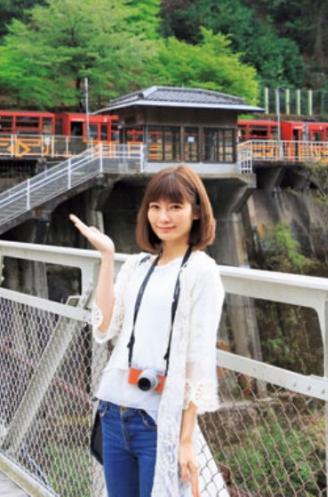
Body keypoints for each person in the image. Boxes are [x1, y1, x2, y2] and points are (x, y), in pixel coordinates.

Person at [70, 166, 227, 497]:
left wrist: (186, 440)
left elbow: (198, 360)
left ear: (196, 211)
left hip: (156, 420)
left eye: (175, 207)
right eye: (155, 207)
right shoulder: (137, 266)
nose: (163, 217)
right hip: (113, 411)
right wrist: (108, 258)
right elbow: (103, 327)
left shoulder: (202, 272)